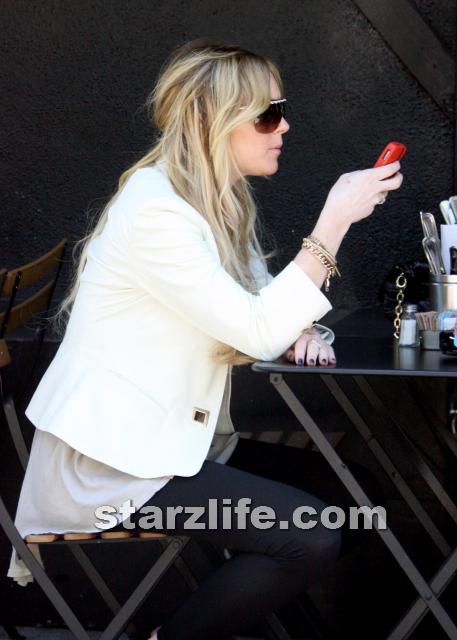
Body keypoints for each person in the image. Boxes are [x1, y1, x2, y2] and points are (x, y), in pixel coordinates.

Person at [7, 40, 403, 640]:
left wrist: (297, 326)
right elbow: (257, 328)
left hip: (175, 447)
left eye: (281, 111)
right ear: (209, 121)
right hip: (117, 472)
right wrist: (333, 223)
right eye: (267, 114)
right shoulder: (156, 213)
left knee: (356, 501)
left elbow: (258, 308)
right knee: (314, 532)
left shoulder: (213, 199)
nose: (284, 126)